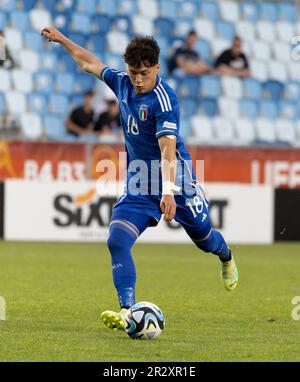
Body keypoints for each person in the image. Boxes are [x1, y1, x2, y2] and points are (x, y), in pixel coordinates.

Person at [41, 27, 238, 333]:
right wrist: (63, 40)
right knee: (117, 239)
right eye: (133, 72)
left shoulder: (165, 99)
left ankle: (225, 256)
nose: (138, 80)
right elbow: (88, 63)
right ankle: (127, 310)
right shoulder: (122, 84)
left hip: (178, 181)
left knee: (204, 238)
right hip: (140, 182)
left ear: (156, 68)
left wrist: (170, 192)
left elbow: (167, 150)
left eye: (144, 73)